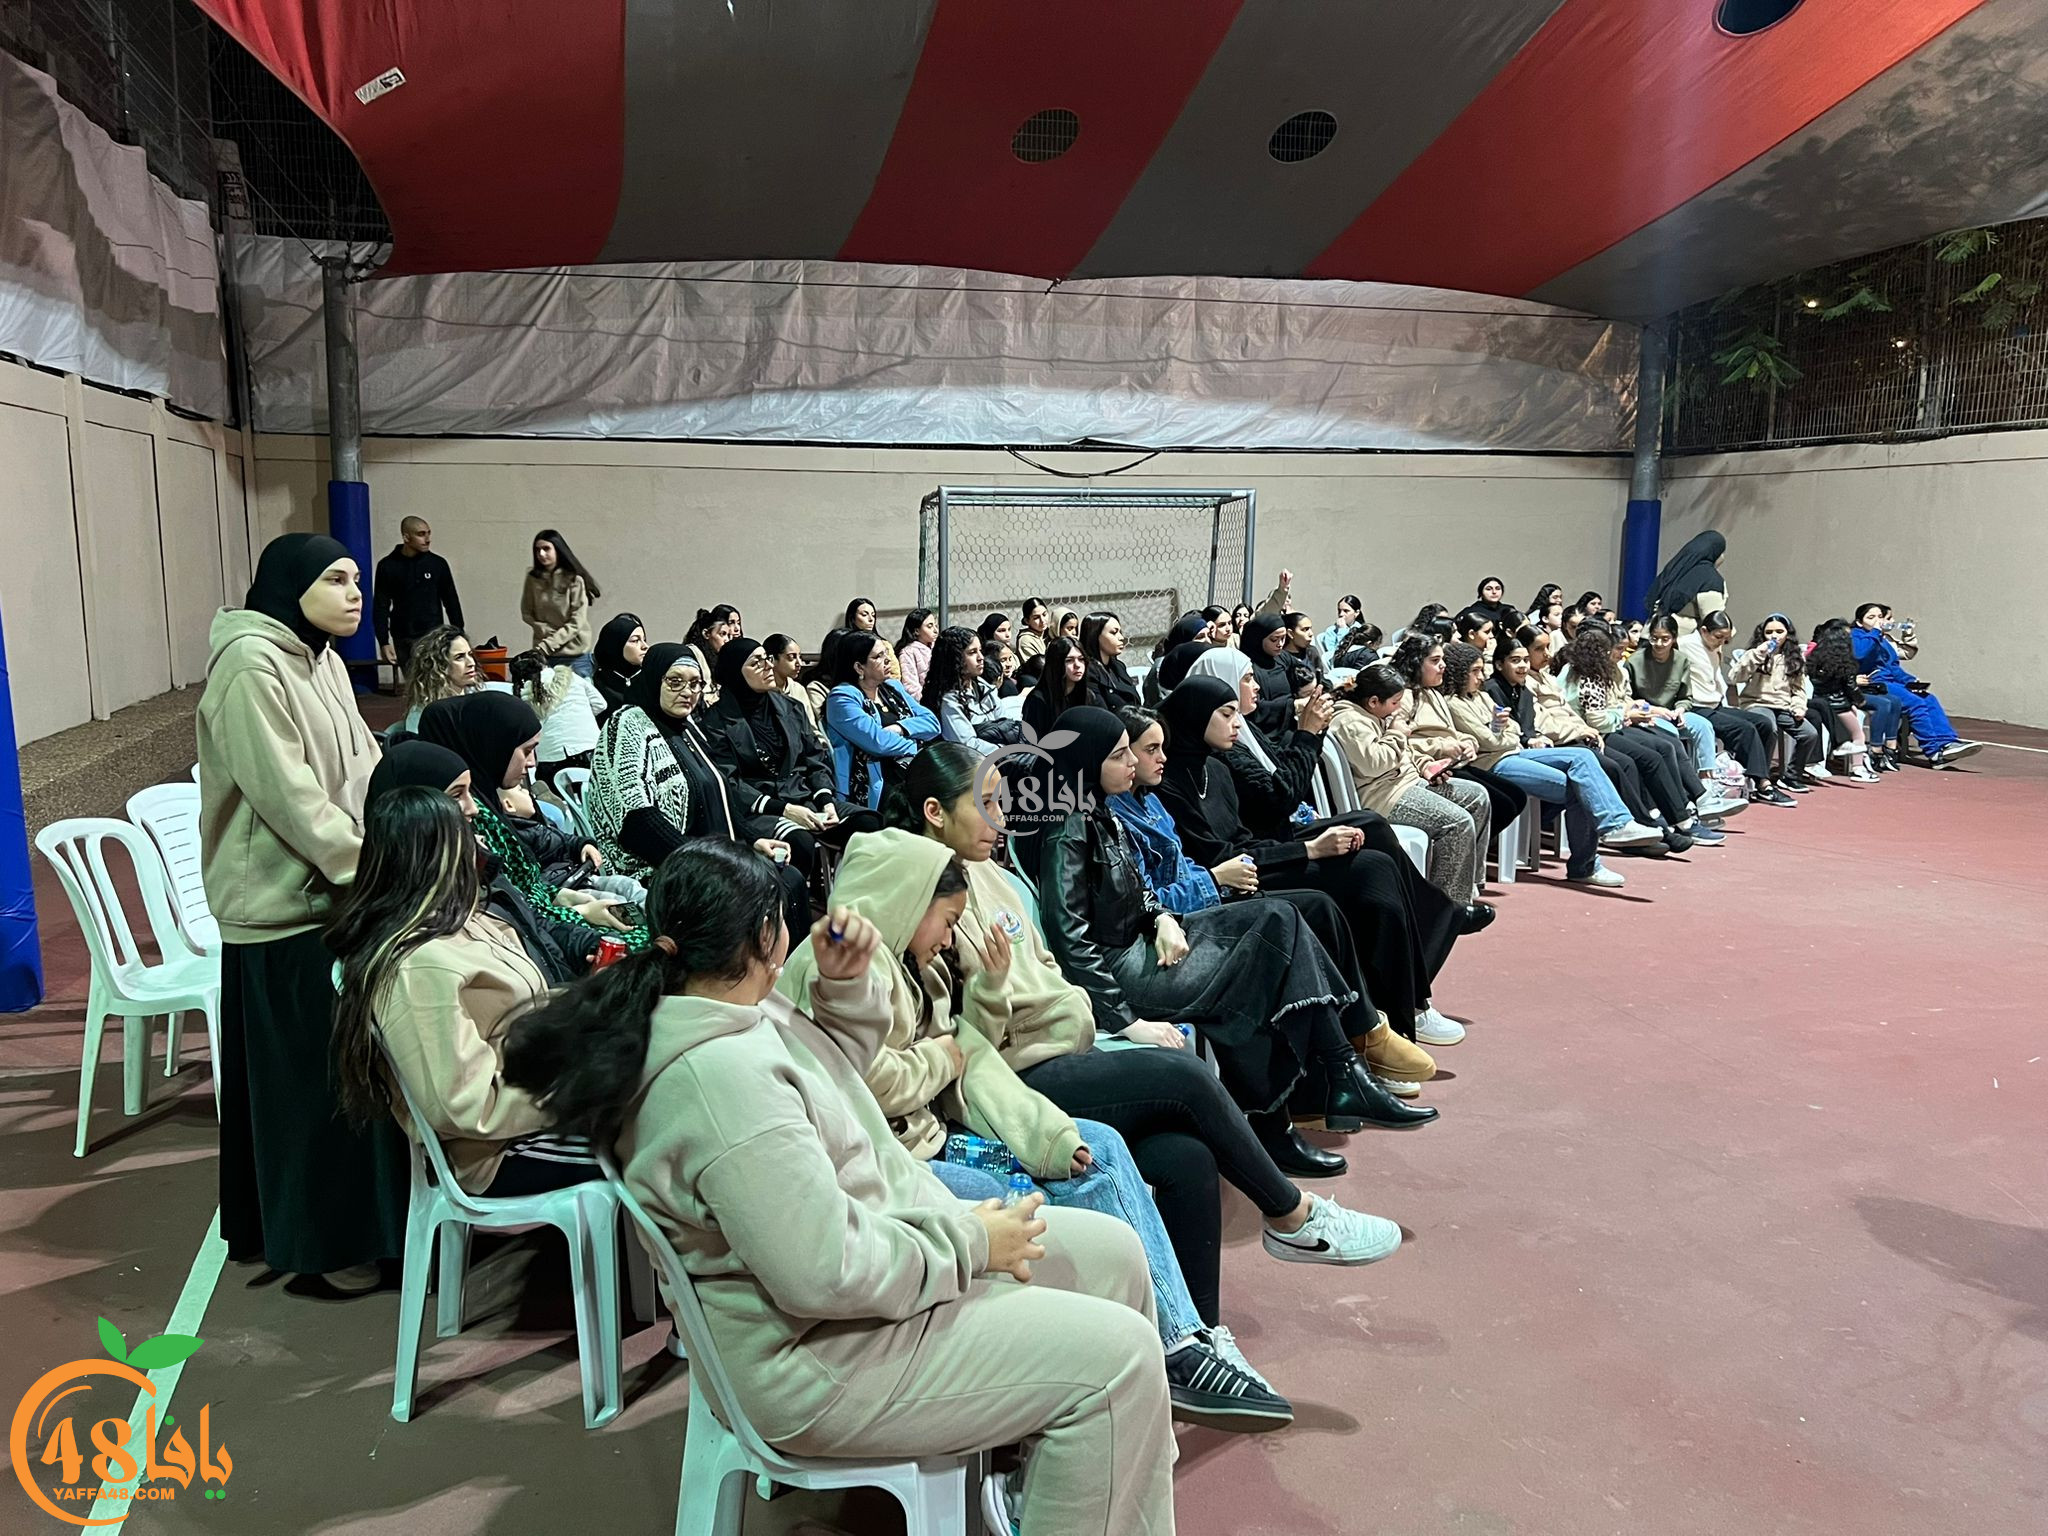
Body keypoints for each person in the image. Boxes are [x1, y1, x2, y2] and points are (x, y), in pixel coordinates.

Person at [501, 843, 1178, 1536]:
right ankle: (1079, 1467)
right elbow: (823, 1273)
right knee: (1118, 1361)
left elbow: (839, 1085)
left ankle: (1070, 1482)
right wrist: (971, 1243)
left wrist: (843, 984)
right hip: (822, 1362)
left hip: (873, 1290)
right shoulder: (716, 1082)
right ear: (766, 935)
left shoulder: (733, 1010)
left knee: (1114, 1254)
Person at [780, 829, 1293, 1430]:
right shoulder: (839, 966)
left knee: (1109, 1146)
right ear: (909, 901)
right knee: (1070, 1172)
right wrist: (944, 1057)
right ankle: (1156, 1348)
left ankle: (1181, 1339)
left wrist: (993, 1015)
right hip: (891, 1163)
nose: (949, 938)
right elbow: (874, 1081)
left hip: (931, 1135)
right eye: (946, 922)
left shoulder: (918, 967)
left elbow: (967, 1055)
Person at [896, 749, 1411, 1336]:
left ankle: (1197, 1339)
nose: (1002, 818)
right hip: (1013, 1076)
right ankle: (1293, 1213)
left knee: (1186, 1157)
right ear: (935, 812)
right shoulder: (925, 901)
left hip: (1069, 1041)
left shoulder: (995, 872)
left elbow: (1050, 965)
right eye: (985, 804)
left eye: (1002, 802)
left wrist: (1143, 936)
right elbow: (961, 1040)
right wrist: (1100, 1017)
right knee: (1186, 1074)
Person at [1023, 707, 1434, 1162]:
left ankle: (1331, 1081)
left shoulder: (1099, 811)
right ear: (1087, 759)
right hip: (1121, 972)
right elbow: (1070, 940)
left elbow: (1137, 890)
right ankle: (1325, 1088)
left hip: (1145, 943)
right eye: (1120, 755)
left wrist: (1159, 918)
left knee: (1281, 918)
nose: (1134, 762)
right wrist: (1125, 1020)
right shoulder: (1066, 829)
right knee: (1263, 964)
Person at [196, 532, 402, 1292]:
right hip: (281, 908)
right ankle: (317, 1248)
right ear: (292, 586)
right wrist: (372, 866)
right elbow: (290, 798)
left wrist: (403, 828)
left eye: (358, 580)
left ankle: (356, 1226)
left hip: (335, 896)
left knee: (345, 1077)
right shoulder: (250, 665)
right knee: (308, 1091)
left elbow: (366, 769)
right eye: (336, 580)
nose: (355, 594)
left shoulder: (323, 658)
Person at [1156, 654, 1469, 1050]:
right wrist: (1309, 849)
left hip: (1260, 856)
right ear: (1197, 716)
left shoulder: (1213, 766)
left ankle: (1401, 1003)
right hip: (1231, 881)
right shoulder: (1174, 780)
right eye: (1226, 713)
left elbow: (1249, 831)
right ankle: (1386, 1017)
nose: (1237, 722)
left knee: (1370, 848)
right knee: (1364, 873)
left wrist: (1308, 844)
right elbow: (1241, 837)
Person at [329, 784, 598, 1197]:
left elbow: (530, 1011)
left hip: (536, 1102)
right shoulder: (417, 965)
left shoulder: (469, 918)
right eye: (467, 830)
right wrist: (575, 1089)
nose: (479, 839)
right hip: (496, 1150)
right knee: (661, 1144)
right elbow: (463, 1104)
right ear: (437, 855)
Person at [584, 644, 810, 938]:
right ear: (654, 679)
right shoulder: (628, 723)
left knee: (787, 876)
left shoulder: (685, 726)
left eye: (695, 684)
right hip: (653, 869)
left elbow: (716, 794)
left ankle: (779, 964)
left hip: (700, 855)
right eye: (675, 681)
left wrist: (752, 839)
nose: (688, 692)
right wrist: (702, 862)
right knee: (768, 887)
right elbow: (635, 820)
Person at [1408, 637, 1663, 888]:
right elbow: (1490, 741)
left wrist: (1501, 732)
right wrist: (1500, 732)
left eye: (1480, 670)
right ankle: (1588, 861)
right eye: (1474, 672)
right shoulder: (1453, 702)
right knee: (1581, 788)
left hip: (1514, 752)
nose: (1480, 677)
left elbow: (1514, 729)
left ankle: (1616, 824)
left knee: (1584, 758)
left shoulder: (1481, 697)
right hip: (1494, 762)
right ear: (1460, 672)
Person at [368, 739, 620, 982]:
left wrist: (587, 946)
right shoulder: (420, 951)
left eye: (470, 792)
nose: (474, 808)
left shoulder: (477, 869)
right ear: (415, 811)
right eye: (456, 795)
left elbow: (531, 925)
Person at [417, 693, 643, 958]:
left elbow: (529, 846)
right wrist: (578, 912)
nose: (533, 761)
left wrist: (565, 888)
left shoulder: (484, 799)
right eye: (526, 751)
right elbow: (516, 913)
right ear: (494, 748)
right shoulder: (469, 819)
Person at [1328, 664, 1493, 907]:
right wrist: (1397, 734)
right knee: (1457, 822)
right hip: (1384, 796)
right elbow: (1373, 764)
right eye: (1395, 702)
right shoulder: (1348, 721)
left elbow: (1404, 753)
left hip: (1408, 781)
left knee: (1477, 796)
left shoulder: (1376, 714)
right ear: (1373, 701)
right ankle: (1446, 907)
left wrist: (1426, 766)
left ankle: (1468, 886)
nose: (1398, 708)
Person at [701, 637, 873, 841]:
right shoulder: (716, 721)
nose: (768, 666)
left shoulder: (790, 706)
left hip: (802, 796)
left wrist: (825, 799)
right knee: (800, 840)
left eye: (767, 658)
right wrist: (785, 809)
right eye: (756, 663)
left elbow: (815, 758)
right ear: (735, 672)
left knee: (869, 822)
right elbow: (729, 781)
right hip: (760, 808)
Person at [1557, 624, 1709, 845]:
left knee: (1662, 747)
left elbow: (1610, 707)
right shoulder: (1590, 675)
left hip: (1597, 729)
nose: (1616, 654)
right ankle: (1658, 823)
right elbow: (1598, 720)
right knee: (1639, 760)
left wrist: (1626, 711)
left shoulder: (1579, 670)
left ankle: (1675, 817)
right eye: (1613, 649)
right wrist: (1625, 714)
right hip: (1590, 734)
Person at [1625, 615, 1742, 809]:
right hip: (1648, 715)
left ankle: (1706, 784)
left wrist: (1680, 709)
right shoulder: (1635, 661)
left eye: (1665, 639)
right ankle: (1683, 791)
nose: (1659, 644)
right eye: (1654, 638)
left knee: (1703, 726)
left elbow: (1685, 696)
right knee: (1670, 733)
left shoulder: (1681, 660)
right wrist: (1654, 710)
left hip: (1673, 712)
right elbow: (1628, 699)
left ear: (1674, 638)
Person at [1681, 613, 1794, 805]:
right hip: (1696, 707)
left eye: (1725, 639)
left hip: (1715, 704)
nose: (1721, 642)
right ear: (1703, 631)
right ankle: (1764, 785)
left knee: (1764, 723)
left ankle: (1752, 778)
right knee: (1745, 729)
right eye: (1718, 637)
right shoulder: (1685, 645)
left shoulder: (1714, 646)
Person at [823, 629, 941, 810]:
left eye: (886, 653)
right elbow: (879, 742)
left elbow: (932, 723)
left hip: (908, 768)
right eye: (878, 656)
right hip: (871, 781)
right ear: (859, 667)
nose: (888, 660)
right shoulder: (842, 698)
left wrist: (899, 728)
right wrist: (918, 746)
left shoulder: (892, 687)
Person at [1852, 604, 1982, 766]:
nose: (1877, 621)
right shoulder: (1857, 636)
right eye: (1871, 618)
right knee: (1915, 703)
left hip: (1891, 681)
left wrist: (1910, 681)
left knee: (1929, 699)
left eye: (1879, 616)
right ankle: (1934, 752)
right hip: (1874, 683)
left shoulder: (1883, 640)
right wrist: (1875, 633)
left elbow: (1893, 667)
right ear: (1859, 622)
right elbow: (1859, 653)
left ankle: (1947, 742)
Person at [1730, 614, 1823, 791]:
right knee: (1769, 727)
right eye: (1769, 632)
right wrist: (1758, 654)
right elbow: (1735, 677)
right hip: (1756, 703)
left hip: (1783, 706)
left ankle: (1791, 776)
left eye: (1779, 631)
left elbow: (1799, 690)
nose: (1774, 636)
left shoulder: (1794, 658)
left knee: (1809, 733)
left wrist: (1798, 707)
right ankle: (1761, 778)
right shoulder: (1755, 653)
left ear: (1788, 634)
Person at [373, 516, 464, 672]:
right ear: (406, 537)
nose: (427, 539)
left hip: (433, 636)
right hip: (403, 638)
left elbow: (451, 601)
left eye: (428, 533)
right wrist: (383, 642)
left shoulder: (437, 564)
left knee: (436, 681)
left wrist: (459, 634)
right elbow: (381, 606)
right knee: (412, 682)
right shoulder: (387, 566)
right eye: (421, 534)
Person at [509, 649, 608, 787]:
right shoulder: (572, 677)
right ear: (544, 663)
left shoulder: (523, 695)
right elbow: (601, 705)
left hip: (551, 760)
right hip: (591, 751)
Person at [1807, 618, 1889, 779]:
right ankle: (1858, 768)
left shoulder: (1815, 657)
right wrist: (1859, 702)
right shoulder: (1845, 662)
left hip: (1819, 702)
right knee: (1858, 735)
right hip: (1839, 706)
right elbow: (1850, 687)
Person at [921, 625, 1011, 754]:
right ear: (955, 659)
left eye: (980, 651)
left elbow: (1007, 726)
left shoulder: (984, 688)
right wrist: (1008, 751)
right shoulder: (949, 700)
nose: (981, 657)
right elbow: (967, 745)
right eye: (972, 652)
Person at [522, 529, 599, 676]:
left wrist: (549, 643)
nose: (541, 554)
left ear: (558, 549)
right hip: (545, 654)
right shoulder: (533, 579)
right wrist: (543, 629)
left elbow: (577, 622)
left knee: (579, 690)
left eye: (546, 549)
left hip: (574, 655)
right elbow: (526, 613)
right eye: (537, 550)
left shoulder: (574, 580)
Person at [398, 624, 480, 731]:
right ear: (440, 665)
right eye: (459, 657)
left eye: (470, 654)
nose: (471, 663)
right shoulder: (421, 713)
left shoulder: (479, 698)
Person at [1644, 530, 1727, 635]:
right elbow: (1713, 622)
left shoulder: (1676, 568)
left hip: (1650, 632)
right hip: (1679, 638)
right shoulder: (1710, 579)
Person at [1234, 613, 1297, 736]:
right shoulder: (1247, 668)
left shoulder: (1281, 657)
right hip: (1268, 732)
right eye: (1274, 639)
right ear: (1258, 639)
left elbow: (1303, 672)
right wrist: (1292, 706)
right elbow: (1256, 709)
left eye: (1283, 638)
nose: (1280, 644)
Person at [1023, 635, 1093, 737]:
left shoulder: (1088, 695)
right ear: (1057, 663)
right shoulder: (1038, 699)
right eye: (1069, 660)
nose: (1077, 665)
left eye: (1081, 659)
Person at [764, 631, 827, 743]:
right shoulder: (763, 690)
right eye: (791, 658)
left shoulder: (797, 689)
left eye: (800, 657)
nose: (799, 663)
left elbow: (811, 727)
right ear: (772, 660)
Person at [1080, 612, 1142, 713]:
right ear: (1095, 636)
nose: (1121, 637)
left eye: (1120, 632)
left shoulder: (1119, 667)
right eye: (1113, 633)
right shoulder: (1088, 671)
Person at [684, 604, 741, 704]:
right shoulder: (693, 652)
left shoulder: (718, 655)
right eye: (722, 634)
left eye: (728, 635)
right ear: (706, 634)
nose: (727, 640)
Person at [590, 613, 646, 716]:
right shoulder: (596, 685)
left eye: (644, 639)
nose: (645, 646)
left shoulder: (651, 679)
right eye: (635, 640)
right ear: (616, 645)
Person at [895, 608, 939, 698]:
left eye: (936, 626)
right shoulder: (908, 652)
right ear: (917, 631)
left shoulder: (939, 647)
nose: (935, 630)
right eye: (929, 626)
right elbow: (910, 687)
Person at [1317, 595, 1364, 663]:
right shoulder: (1331, 631)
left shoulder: (1361, 629)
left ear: (1356, 613)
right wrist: (1342, 631)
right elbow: (1332, 654)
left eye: (1346, 611)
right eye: (1339, 611)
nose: (1341, 614)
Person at [1016, 597, 1052, 663]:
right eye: (1036, 618)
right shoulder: (1026, 640)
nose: (1042, 620)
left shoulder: (1049, 633)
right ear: (1027, 621)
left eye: (1044, 614)